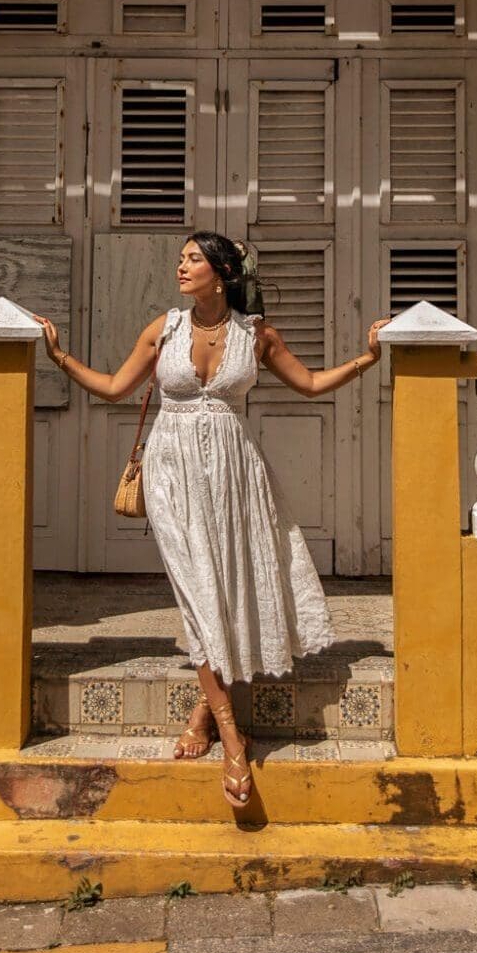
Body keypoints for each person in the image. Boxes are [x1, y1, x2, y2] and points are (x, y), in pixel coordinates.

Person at [38, 232, 389, 809]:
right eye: (181, 259)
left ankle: (203, 715)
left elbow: (309, 384)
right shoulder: (164, 328)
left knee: (227, 591)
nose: (181, 266)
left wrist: (366, 358)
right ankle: (232, 736)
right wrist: (59, 357)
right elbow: (114, 387)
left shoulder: (257, 336)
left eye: (192, 259)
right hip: (171, 471)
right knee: (199, 593)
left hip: (234, 476)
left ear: (221, 274)